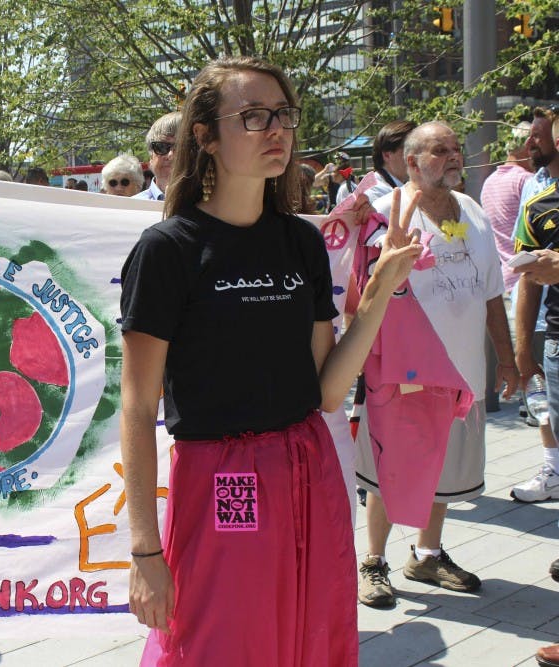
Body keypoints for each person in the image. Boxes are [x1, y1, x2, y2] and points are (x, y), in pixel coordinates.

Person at [119, 55, 422, 666]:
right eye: (253, 116)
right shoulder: (168, 249)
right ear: (204, 136)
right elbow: (137, 404)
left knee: (308, 636)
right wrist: (146, 553)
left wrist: (382, 289)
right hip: (226, 476)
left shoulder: (299, 241)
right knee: (223, 639)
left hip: (308, 466)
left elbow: (327, 391)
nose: (277, 130)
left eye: (283, 114)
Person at [355, 121, 518, 609]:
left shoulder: (471, 211)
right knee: (388, 469)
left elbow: (492, 294)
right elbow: (359, 299)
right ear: (410, 162)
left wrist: (507, 362)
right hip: (402, 374)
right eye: (438, 150)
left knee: (448, 469)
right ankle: (374, 562)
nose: (452, 156)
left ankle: (427, 554)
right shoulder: (384, 213)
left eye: (455, 148)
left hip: (463, 375)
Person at [513, 106, 559, 503]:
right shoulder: (536, 201)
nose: (529, 143)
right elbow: (527, 275)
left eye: (538, 136)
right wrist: (522, 349)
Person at [482, 121, 532, 293]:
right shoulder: (527, 181)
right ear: (528, 146)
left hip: (504, 279)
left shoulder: (488, 182)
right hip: (529, 280)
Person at [362, 120, 416, 203]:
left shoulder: (401, 186)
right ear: (387, 155)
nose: (416, 155)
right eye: (409, 148)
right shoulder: (375, 194)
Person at [134, 112, 181, 201]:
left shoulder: (211, 207)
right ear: (151, 156)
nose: (170, 155)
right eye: (161, 147)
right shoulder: (130, 208)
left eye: (180, 147)